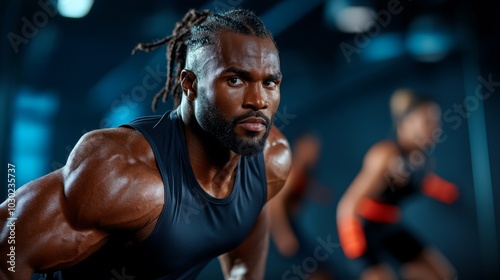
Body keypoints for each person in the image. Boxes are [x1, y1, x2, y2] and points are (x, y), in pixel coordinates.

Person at [0, 8, 292, 280]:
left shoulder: (270, 160)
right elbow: (7, 245)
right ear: (189, 84)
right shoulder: (126, 174)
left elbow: (242, 259)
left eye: (269, 83)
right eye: (236, 80)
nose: (258, 100)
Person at [336, 89, 459, 280]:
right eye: (427, 121)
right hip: (364, 230)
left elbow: (421, 181)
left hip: (392, 226)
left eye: (436, 121)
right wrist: (358, 252)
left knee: (442, 276)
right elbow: (347, 206)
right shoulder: (384, 155)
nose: (435, 128)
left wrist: (444, 191)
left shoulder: (421, 159)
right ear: (406, 123)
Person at [269, 133, 333, 280]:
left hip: (291, 224)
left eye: (316, 150)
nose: (314, 154)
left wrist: (320, 193)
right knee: (316, 268)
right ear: (300, 148)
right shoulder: (292, 172)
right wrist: (282, 235)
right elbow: (274, 205)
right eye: (310, 149)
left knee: (317, 267)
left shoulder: (304, 174)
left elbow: (307, 187)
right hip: (280, 227)